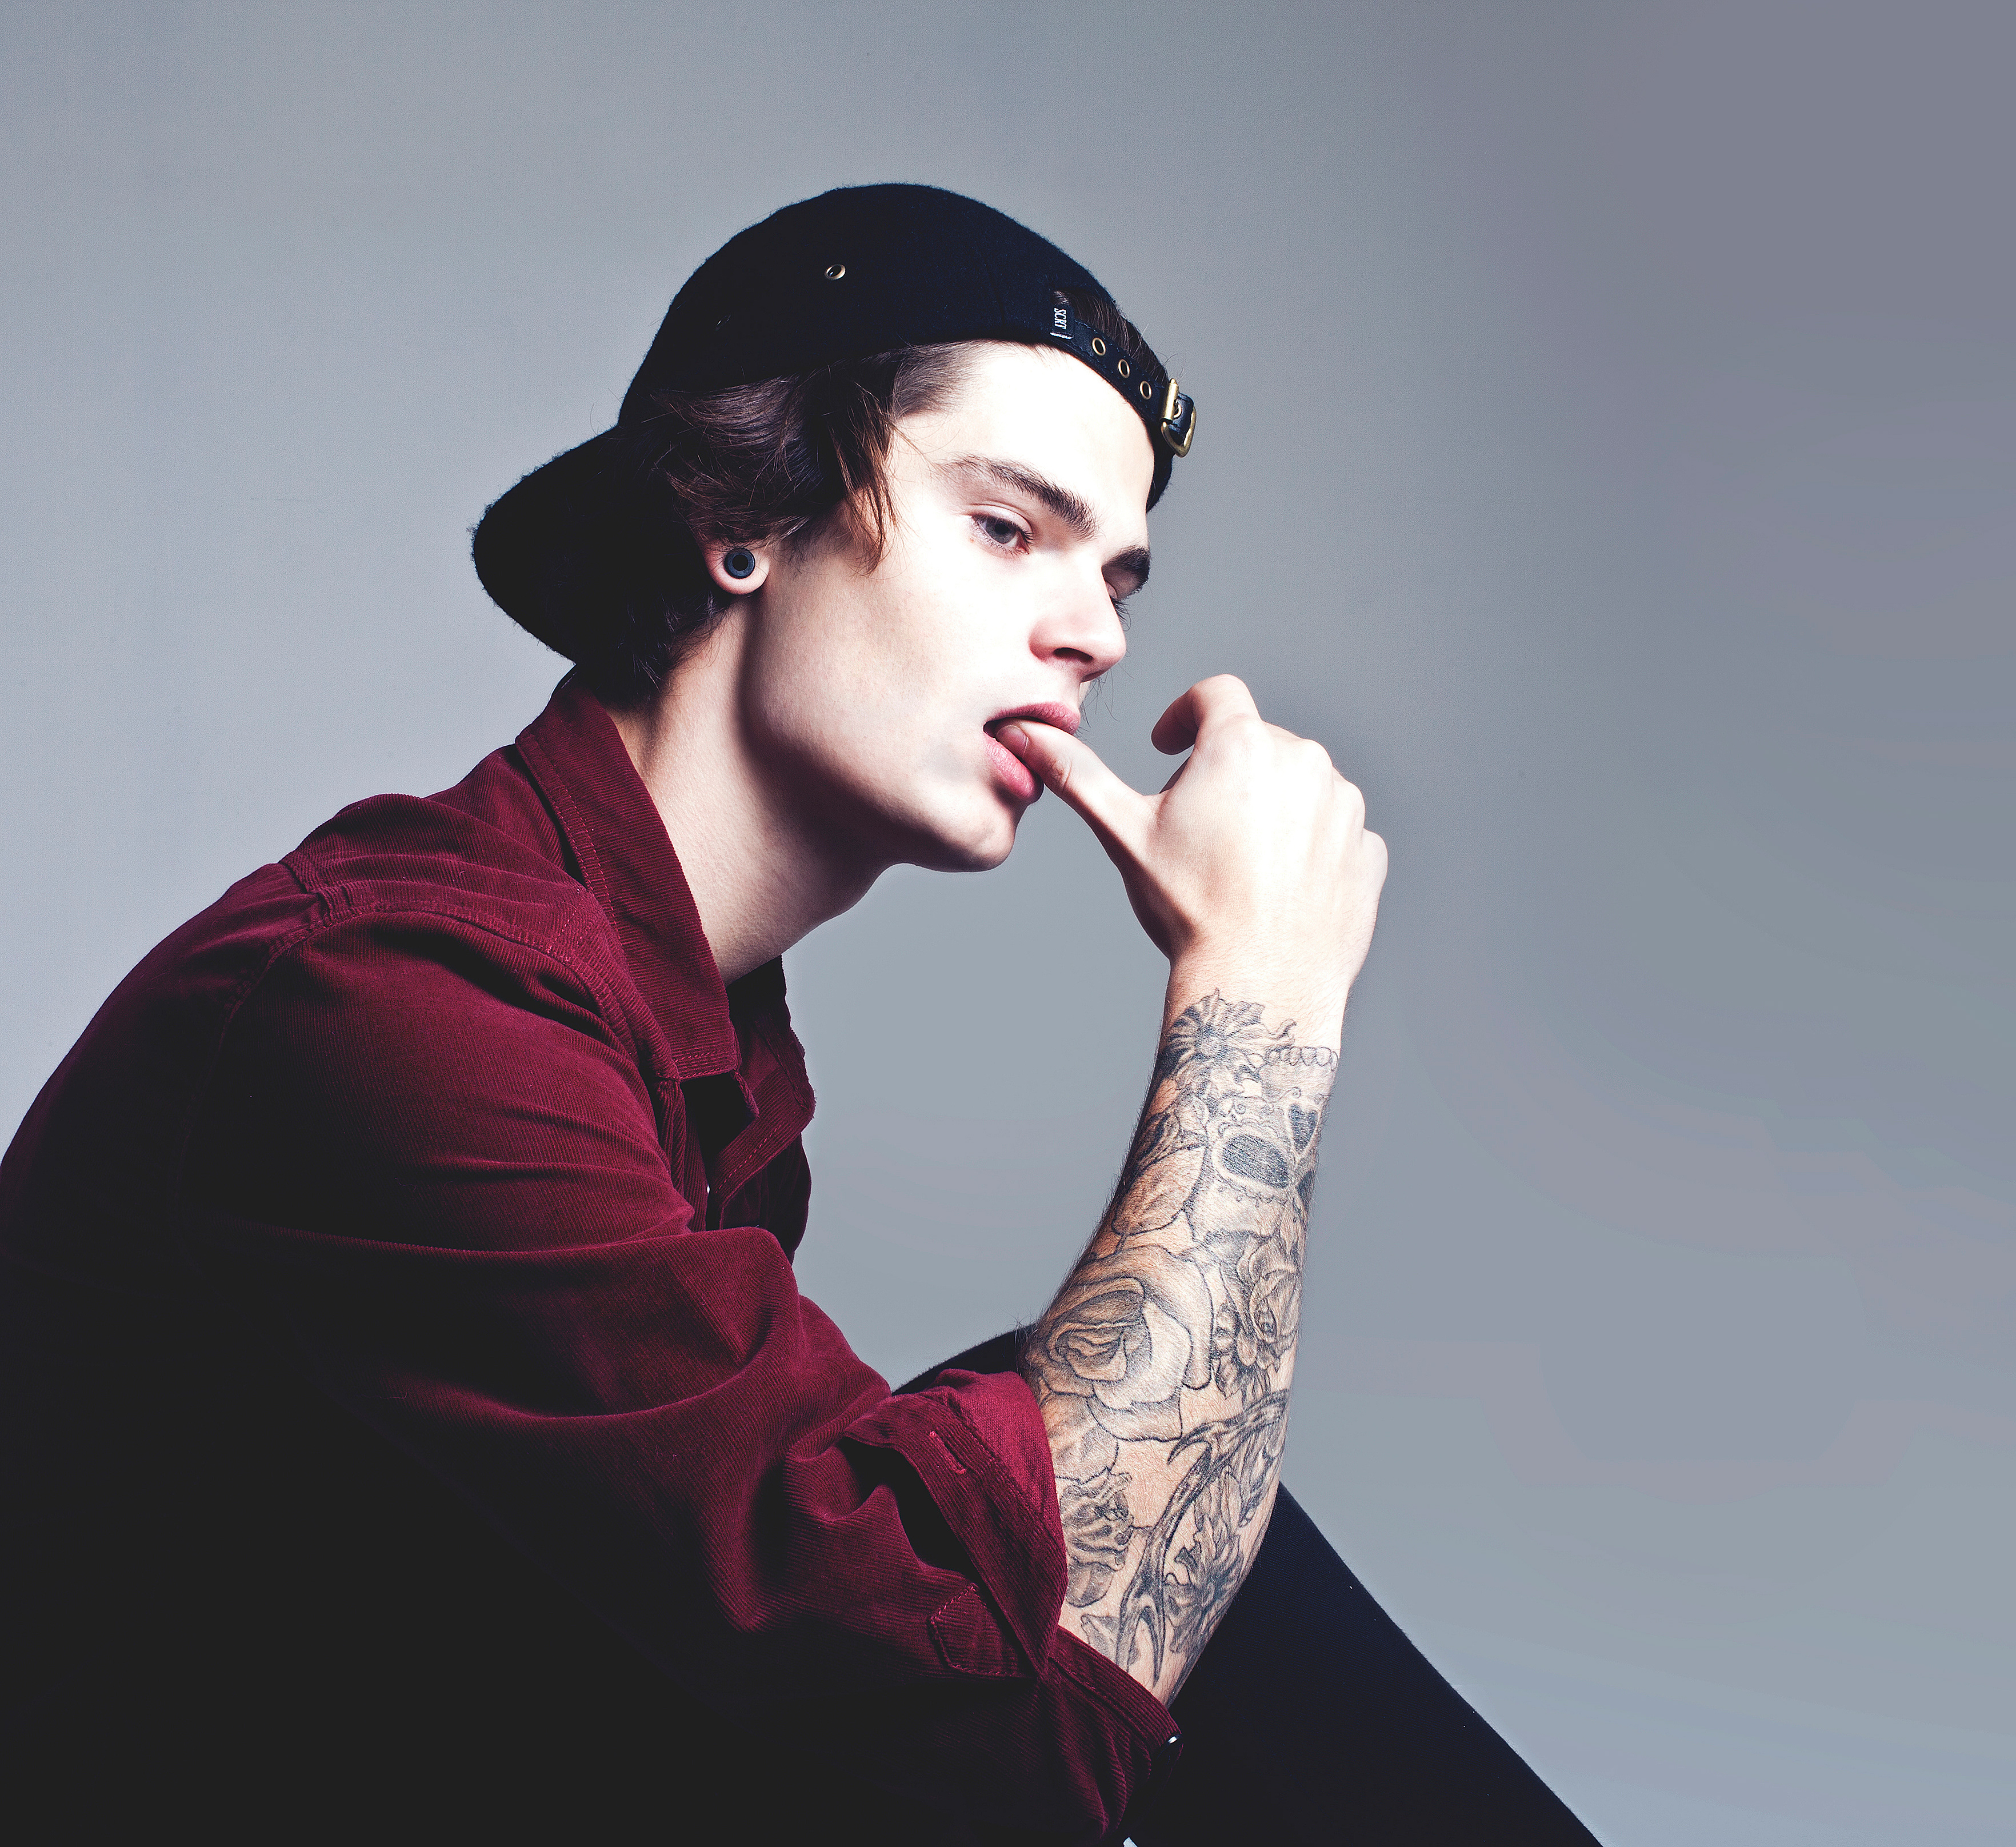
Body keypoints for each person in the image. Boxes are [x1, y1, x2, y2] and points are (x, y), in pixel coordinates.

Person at [1, 185, 1595, 1842]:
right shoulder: (405, 999)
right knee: (1053, 1535)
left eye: (1119, 577)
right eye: (1008, 528)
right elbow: (1012, 1714)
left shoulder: (701, 1048)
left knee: (1068, 1505)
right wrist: (1262, 1004)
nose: (1098, 635)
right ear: (746, 520)